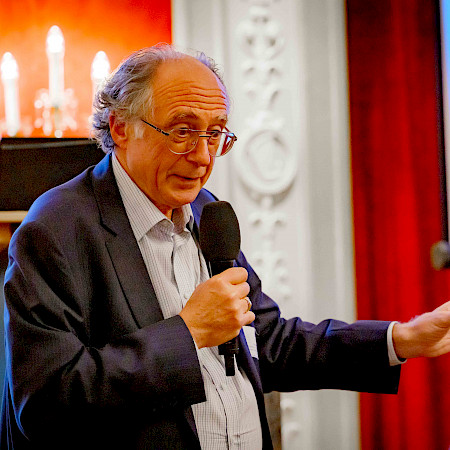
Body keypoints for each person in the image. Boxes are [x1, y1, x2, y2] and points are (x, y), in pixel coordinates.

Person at [1, 44, 449, 450]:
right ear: (121, 128)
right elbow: (45, 405)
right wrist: (189, 331)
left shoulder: (206, 210)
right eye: (182, 131)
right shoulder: (55, 231)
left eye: (216, 133)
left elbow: (266, 340)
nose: (202, 157)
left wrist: (401, 339)